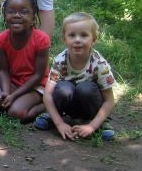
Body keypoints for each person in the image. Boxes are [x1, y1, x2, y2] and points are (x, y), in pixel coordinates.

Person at [35, 12, 115, 141]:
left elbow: (109, 100)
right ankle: (56, 116)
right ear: (64, 38)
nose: (77, 40)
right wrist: (59, 123)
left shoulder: (99, 64)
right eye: (72, 35)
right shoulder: (60, 60)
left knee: (85, 88)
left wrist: (92, 126)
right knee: (62, 88)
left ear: (94, 39)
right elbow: (48, 94)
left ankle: (99, 121)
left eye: (84, 35)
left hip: (89, 105)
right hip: (69, 105)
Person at [0, 0, 50, 122]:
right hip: (14, 82)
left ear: (33, 18)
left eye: (24, 12)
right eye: (11, 11)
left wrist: (13, 96)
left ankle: (46, 103)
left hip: (36, 85)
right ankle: (13, 98)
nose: (16, 15)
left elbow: (38, 75)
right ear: (5, 15)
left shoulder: (41, 39)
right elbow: (4, 70)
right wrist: (5, 92)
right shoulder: (2, 38)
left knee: (15, 113)